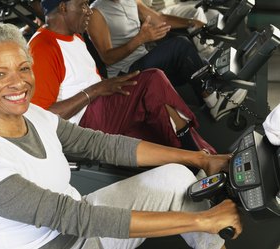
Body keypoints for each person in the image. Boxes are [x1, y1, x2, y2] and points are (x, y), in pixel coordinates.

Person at [0, 22, 242, 249]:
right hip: (71, 236)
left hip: (83, 224)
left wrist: (199, 159)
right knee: (197, 216)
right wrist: (201, 220)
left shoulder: (33, 115)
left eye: (23, 68)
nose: (18, 82)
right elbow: (75, 218)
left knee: (178, 177)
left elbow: (101, 145)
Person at [29, 0, 217, 155]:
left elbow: (88, 80)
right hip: (84, 122)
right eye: (83, 6)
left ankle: (196, 156)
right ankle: (198, 153)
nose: (88, 12)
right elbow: (43, 116)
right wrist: (95, 90)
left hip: (100, 103)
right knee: (152, 80)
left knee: (154, 115)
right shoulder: (43, 48)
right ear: (63, 7)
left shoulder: (75, 38)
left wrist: (103, 86)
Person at [87, 0, 248, 120]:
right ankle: (213, 99)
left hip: (143, 59)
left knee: (190, 62)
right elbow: (107, 58)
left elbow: (159, 18)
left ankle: (212, 100)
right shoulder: (96, 12)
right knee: (179, 46)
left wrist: (191, 22)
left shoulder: (130, 0)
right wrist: (140, 39)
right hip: (125, 74)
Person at [141, 0, 221, 57]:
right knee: (197, 11)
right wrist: (191, 22)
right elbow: (148, 14)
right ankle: (207, 51)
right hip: (158, 13)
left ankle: (224, 33)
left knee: (204, 5)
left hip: (176, 3)